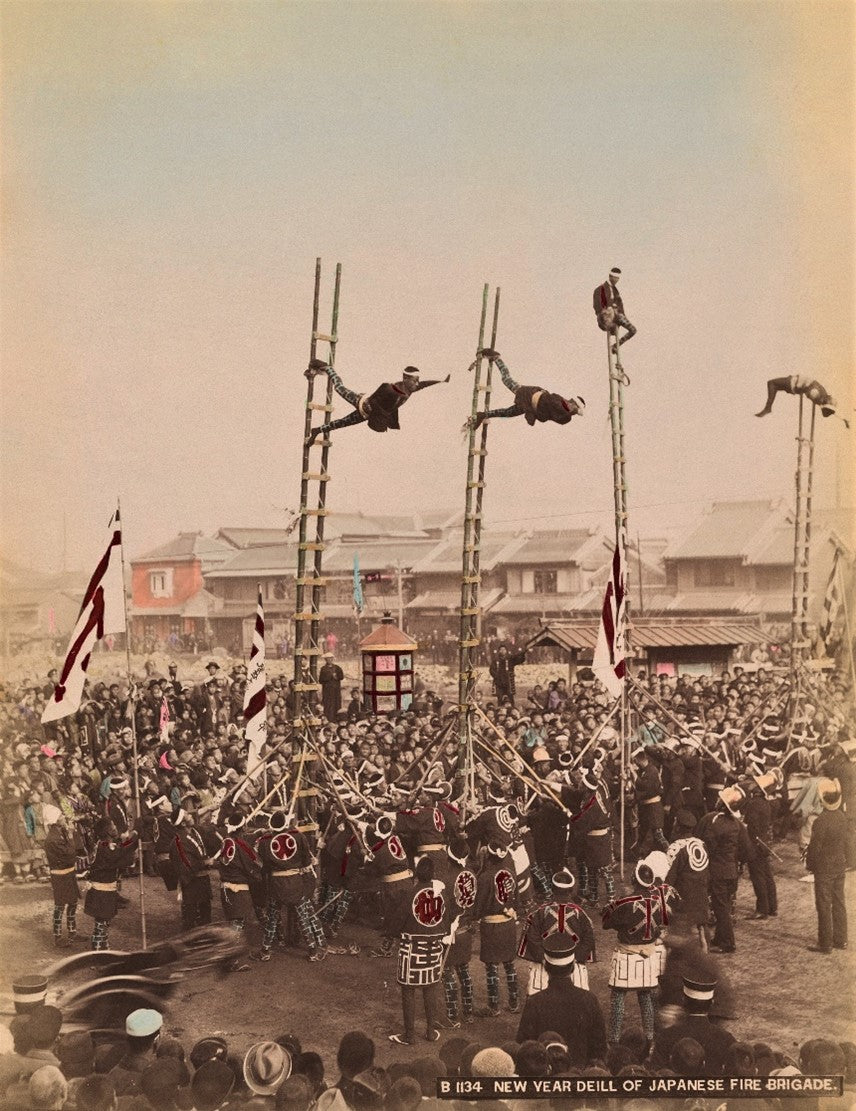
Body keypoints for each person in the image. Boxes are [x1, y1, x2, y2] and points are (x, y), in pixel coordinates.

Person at [515, 933, 607, 1067]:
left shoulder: (534, 1002)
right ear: (573, 967)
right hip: (581, 1076)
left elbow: (524, 1047)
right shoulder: (589, 999)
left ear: (546, 967)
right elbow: (599, 1048)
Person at [305, 360, 449, 445]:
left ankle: (317, 430)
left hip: (368, 414)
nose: (417, 383)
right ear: (406, 379)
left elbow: (425, 384)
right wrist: (371, 408)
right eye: (415, 380)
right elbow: (374, 398)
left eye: (417, 380)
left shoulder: (410, 389)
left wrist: (441, 381)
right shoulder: (390, 388)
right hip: (362, 403)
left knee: (342, 423)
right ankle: (328, 369)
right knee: (339, 388)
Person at [387, 857, 448, 1046]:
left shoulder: (410, 893)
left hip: (412, 949)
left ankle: (410, 1035)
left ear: (416, 873)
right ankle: (430, 1031)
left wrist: (392, 933)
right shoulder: (441, 894)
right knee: (430, 988)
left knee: (408, 990)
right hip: (434, 948)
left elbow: (396, 923)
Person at [466, 351, 584, 431]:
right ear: (573, 403)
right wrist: (532, 413)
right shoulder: (560, 402)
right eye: (573, 405)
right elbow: (547, 403)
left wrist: (534, 413)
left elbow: (550, 416)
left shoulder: (565, 416)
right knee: (507, 380)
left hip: (531, 405)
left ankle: (482, 415)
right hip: (529, 395)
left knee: (507, 413)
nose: (571, 407)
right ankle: (496, 357)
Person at [805, 777, 848, 954]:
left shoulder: (820, 821)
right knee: (839, 902)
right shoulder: (842, 817)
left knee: (823, 905)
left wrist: (810, 864)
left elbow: (815, 847)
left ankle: (825, 943)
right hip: (839, 865)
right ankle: (841, 939)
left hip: (824, 868)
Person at [83, 820, 139, 950]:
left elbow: (119, 850)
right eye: (113, 826)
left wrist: (130, 841)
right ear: (108, 831)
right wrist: (134, 840)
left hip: (105, 889)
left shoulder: (104, 844)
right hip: (102, 890)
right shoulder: (105, 846)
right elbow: (119, 854)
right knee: (101, 923)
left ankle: (103, 947)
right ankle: (96, 951)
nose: (115, 828)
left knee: (105, 921)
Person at [42, 805, 80, 948]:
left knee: (72, 902)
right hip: (60, 876)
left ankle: (72, 931)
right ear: (54, 820)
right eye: (61, 816)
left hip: (68, 872)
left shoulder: (60, 832)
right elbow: (70, 853)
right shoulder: (53, 839)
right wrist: (70, 837)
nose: (64, 817)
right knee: (60, 906)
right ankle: (58, 936)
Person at [755, 376, 848, 425]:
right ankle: (768, 408)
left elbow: (810, 394)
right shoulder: (823, 396)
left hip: (793, 383)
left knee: (772, 383)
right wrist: (844, 420)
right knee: (773, 385)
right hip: (794, 381)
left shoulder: (818, 394)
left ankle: (768, 408)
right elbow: (830, 412)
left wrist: (808, 391)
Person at [593, 268, 637, 353]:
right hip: (606, 315)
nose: (616, 280)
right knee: (610, 316)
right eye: (614, 277)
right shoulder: (600, 289)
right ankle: (611, 326)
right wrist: (605, 311)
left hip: (617, 315)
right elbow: (597, 305)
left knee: (633, 330)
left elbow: (621, 305)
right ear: (610, 276)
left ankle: (616, 345)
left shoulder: (615, 290)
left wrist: (623, 316)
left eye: (617, 278)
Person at [319, 654, 345, 722]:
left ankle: (337, 719)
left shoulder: (337, 668)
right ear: (325, 660)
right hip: (327, 691)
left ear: (332, 659)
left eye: (330, 658)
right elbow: (320, 680)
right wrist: (329, 676)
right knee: (328, 706)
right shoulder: (323, 669)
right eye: (327, 659)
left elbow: (341, 676)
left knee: (337, 704)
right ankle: (328, 720)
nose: (329, 660)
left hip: (336, 691)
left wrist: (336, 677)